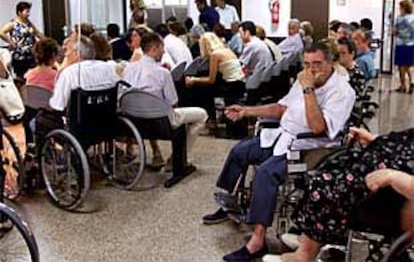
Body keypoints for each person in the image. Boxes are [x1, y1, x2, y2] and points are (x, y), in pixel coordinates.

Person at [203, 41, 356, 261]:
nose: (311, 70)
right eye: (307, 64)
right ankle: (230, 200)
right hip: (283, 137)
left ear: (330, 62)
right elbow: (281, 108)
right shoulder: (304, 79)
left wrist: (308, 89)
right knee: (239, 151)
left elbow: (318, 128)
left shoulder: (341, 91)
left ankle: (257, 241)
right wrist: (246, 111)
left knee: (266, 173)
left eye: (317, 64)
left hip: (311, 147)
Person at [263, 126, 414, 262]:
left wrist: (393, 176)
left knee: (327, 186)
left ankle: (304, 255)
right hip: (381, 175)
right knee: (331, 169)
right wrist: (375, 139)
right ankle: (311, 237)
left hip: (398, 197)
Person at [123, 33, 208, 169]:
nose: (164, 52)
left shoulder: (128, 68)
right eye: (162, 48)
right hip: (161, 124)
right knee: (202, 114)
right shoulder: (163, 73)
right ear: (155, 48)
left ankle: (176, 157)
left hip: (133, 123)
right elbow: (173, 102)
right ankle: (179, 158)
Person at [185, 32, 245, 127]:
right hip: (239, 84)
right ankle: (212, 120)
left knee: (203, 90)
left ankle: (210, 120)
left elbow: (210, 80)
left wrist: (194, 79)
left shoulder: (215, 55)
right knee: (207, 89)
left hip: (230, 87)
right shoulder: (227, 50)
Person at [0, 1, 44, 78]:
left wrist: (47, 41)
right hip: (19, 56)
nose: (28, 14)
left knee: (32, 76)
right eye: (26, 11)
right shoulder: (13, 24)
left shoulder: (28, 23)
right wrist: (11, 42)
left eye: (29, 11)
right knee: (21, 77)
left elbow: (37, 33)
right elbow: (1, 32)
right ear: (19, 12)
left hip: (30, 55)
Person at [393, 0, 414, 93]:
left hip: (401, 44)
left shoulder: (399, 18)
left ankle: (403, 86)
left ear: (404, 8)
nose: (399, 9)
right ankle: (412, 82)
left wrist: (397, 32)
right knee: (409, 65)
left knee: (401, 65)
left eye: (400, 7)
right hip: (411, 45)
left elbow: (394, 31)